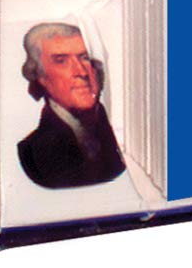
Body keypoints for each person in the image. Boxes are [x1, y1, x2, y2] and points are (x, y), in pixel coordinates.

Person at [16, 22, 126, 189]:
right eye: (61, 61)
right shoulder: (33, 151)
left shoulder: (123, 134)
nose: (81, 71)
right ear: (40, 76)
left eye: (85, 58)